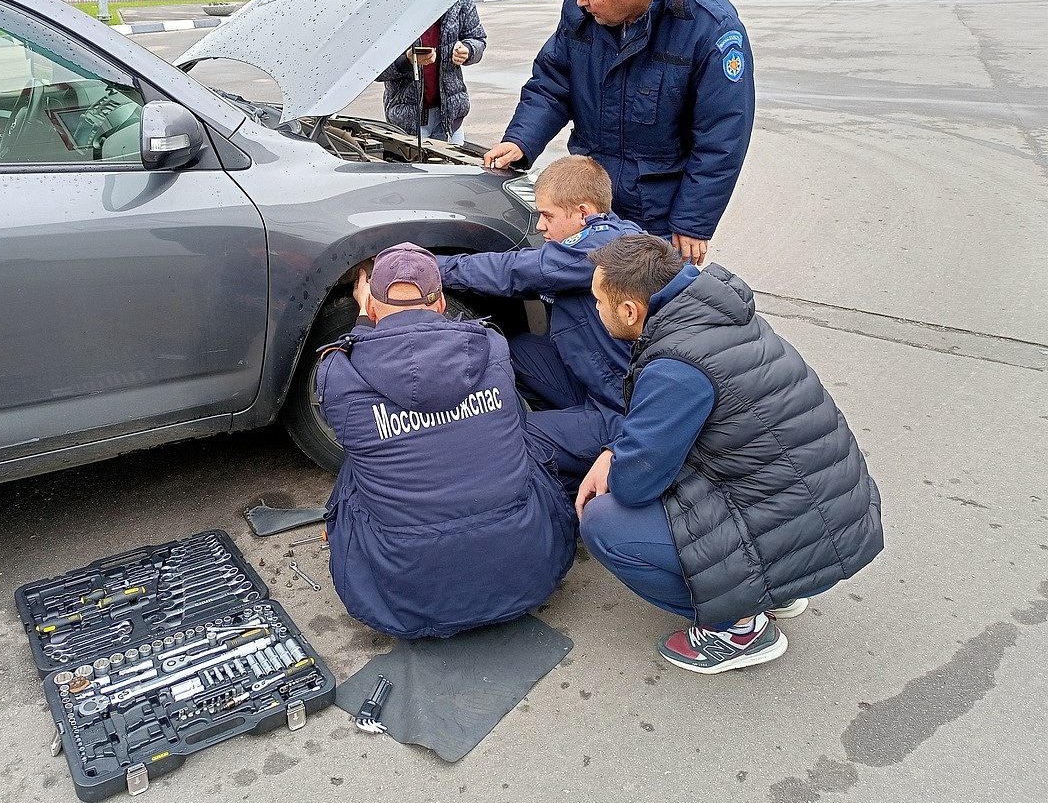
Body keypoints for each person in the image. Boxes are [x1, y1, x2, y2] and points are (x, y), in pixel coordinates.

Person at [576, 233, 883, 673]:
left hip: (808, 526)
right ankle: (776, 589)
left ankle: (738, 628)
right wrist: (613, 451)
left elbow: (636, 483)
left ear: (629, 309)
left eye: (599, 301)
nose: (596, 310)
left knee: (605, 521)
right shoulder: (713, 317)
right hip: (828, 515)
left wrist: (618, 463)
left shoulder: (676, 367)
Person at [317, 243, 577, 640]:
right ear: (439, 304)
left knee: (360, 464)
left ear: (371, 307)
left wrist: (360, 320)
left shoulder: (336, 371)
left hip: (401, 606)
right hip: (530, 580)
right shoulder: (492, 346)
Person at [483, 0, 756, 266]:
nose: (580, 2)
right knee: (582, 308)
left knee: (641, 315)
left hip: (657, 216)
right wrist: (521, 140)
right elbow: (553, 83)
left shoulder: (709, 28)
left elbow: (722, 137)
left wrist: (693, 221)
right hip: (591, 203)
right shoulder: (583, 8)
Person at [434, 155, 640, 484]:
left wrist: (428, 267)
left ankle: (579, 468)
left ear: (583, 213)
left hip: (623, 411)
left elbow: (514, 271)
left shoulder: (599, 251)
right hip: (602, 384)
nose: (540, 225)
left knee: (517, 436)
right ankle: (570, 437)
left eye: (547, 215)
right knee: (515, 350)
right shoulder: (612, 230)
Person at [377, 0, 486, 145]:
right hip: (408, 123)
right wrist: (407, 61)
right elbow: (373, 67)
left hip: (450, 119)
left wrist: (468, 50)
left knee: (454, 168)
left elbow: (478, 39)